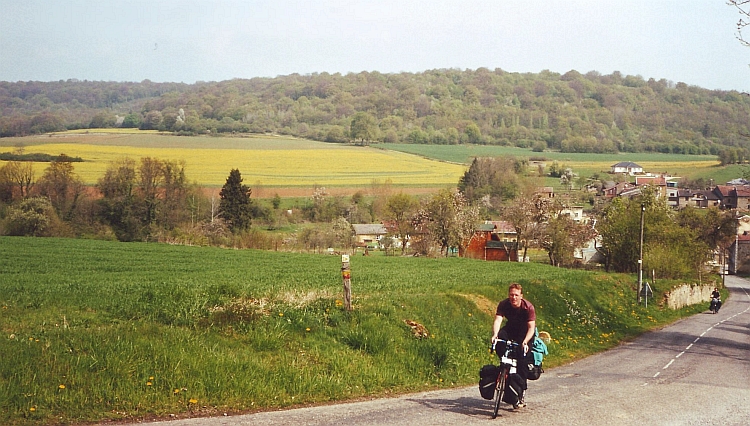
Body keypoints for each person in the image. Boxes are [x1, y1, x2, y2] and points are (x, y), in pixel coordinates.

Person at [491, 283, 536, 409]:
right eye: (511, 295)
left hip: (525, 333)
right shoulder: (504, 304)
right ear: (508, 295)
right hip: (511, 329)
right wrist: (495, 335)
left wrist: (526, 342)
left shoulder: (528, 307)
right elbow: (498, 320)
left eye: (516, 295)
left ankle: (520, 392)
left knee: (522, 361)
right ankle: (503, 370)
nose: (513, 298)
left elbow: (531, 328)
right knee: (500, 338)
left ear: (521, 296)